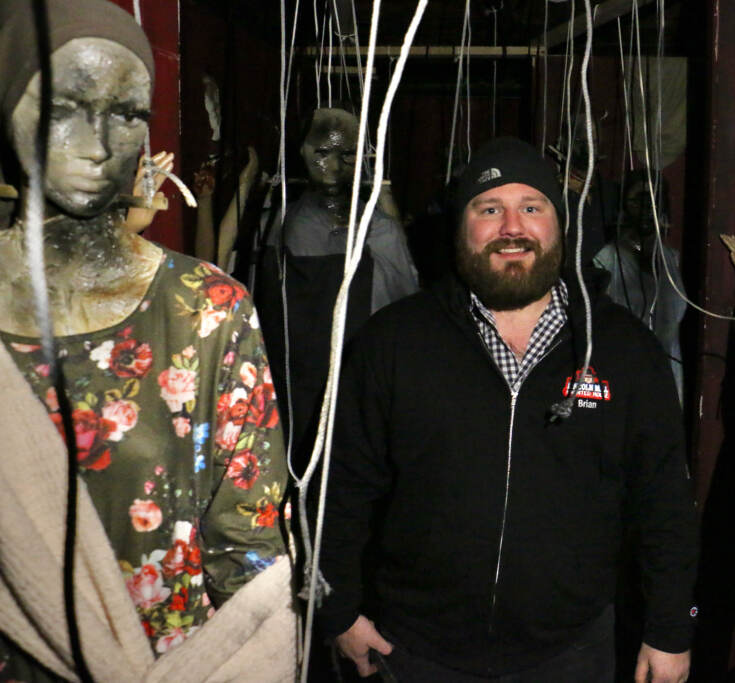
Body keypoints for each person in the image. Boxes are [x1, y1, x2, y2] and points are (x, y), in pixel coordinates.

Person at [318, 137, 698, 682]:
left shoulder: (624, 348)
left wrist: (671, 628)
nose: (512, 227)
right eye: (490, 208)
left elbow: (665, 501)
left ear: (559, 225)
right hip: (413, 650)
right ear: (461, 226)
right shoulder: (395, 341)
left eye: (532, 207)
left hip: (571, 652)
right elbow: (341, 488)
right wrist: (338, 610)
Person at [0, 1, 292, 679]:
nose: (99, 142)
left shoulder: (206, 313)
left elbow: (247, 552)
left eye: (127, 112)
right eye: (66, 105)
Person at [255, 107, 418, 470]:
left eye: (346, 154)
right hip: (291, 390)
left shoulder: (379, 231)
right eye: (322, 152)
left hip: (356, 391)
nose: (334, 164)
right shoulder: (279, 225)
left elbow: (402, 314)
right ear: (302, 152)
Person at [594, 169, 687, 403]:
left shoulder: (670, 259)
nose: (647, 209)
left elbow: (674, 314)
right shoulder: (606, 259)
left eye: (653, 201)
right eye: (638, 200)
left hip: (664, 371)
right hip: (622, 371)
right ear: (624, 206)